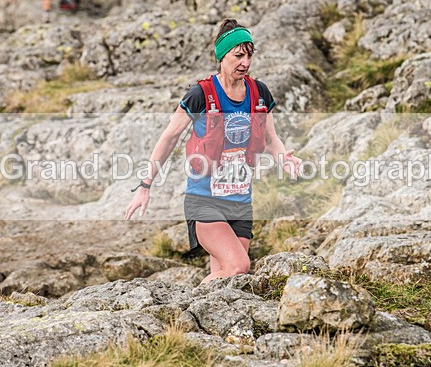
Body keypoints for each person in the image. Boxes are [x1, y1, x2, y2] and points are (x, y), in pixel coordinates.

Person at [124, 19, 302, 285]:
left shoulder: (259, 92)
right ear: (222, 56)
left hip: (241, 203)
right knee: (240, 266)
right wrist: (145, 184)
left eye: (249, 55)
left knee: (225, 280)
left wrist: (284, 158)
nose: (245, 62)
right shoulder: (201, 94)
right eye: (238, 55)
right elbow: (169, 137)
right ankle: (191, 300)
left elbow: (270, 139)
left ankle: (197, 316)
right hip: (204, 202)